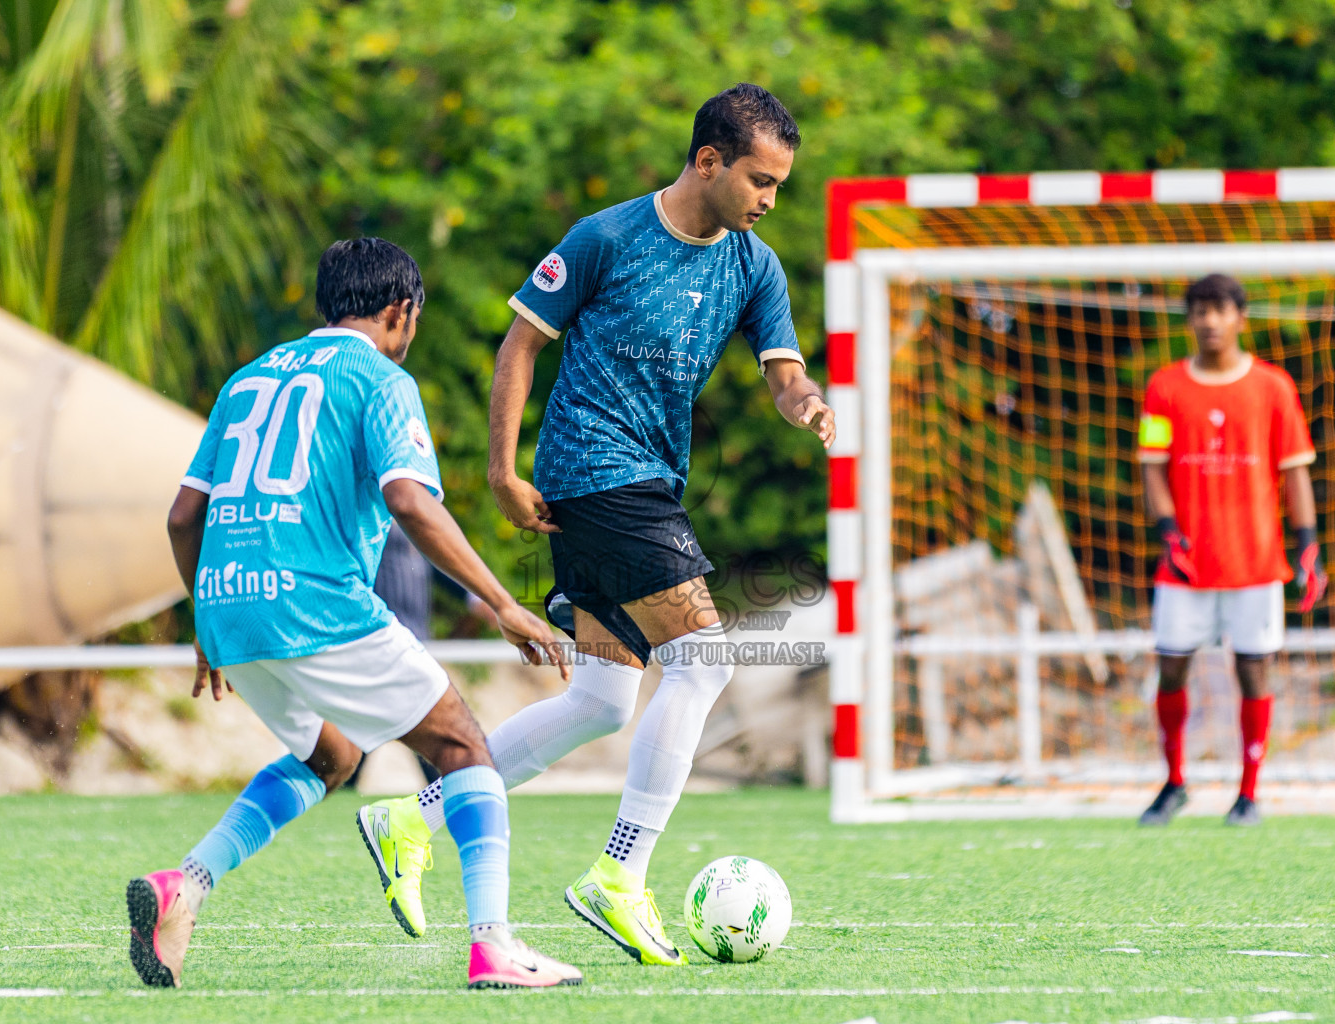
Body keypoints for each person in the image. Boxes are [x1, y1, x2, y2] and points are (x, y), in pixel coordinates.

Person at [350, 83, 834, 966]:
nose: (770, 200)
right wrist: (500, 469)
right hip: (598, 473)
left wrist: (805, 402)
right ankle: (619, 874)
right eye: (761, 180)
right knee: (706, 658)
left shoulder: (754, 265)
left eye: (781, 186)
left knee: (602, 700)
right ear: (708, 161)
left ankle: (412, 820)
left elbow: (784, 370)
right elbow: (521, 343)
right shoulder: (605, 237)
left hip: (649, 485)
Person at [126, 238, 581, 991]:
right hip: (316, 601)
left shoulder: (247, 379)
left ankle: (186, 887)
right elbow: (410, 500)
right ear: (401, 311)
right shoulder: (380, 377)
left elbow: (183, 517)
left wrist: (208, 619)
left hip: (229, 606)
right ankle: (494, 945)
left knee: (331, 757)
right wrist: (504, 604)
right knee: (465, 746)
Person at [1136, 273, 1328, 828]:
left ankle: (1248, 793)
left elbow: (1295, 475)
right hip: (1186, 565)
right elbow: (1153, 469)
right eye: (1199, 310)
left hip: (1254, 563)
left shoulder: (1273, 387)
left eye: (1220, 309)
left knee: (1254, 672)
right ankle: (1174, 782)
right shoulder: (1164, 387)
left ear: (1240, 318)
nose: (1210, 320)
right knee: (1170, 668)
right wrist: (1168, 530)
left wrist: (1308, 546)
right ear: (1189, 319)